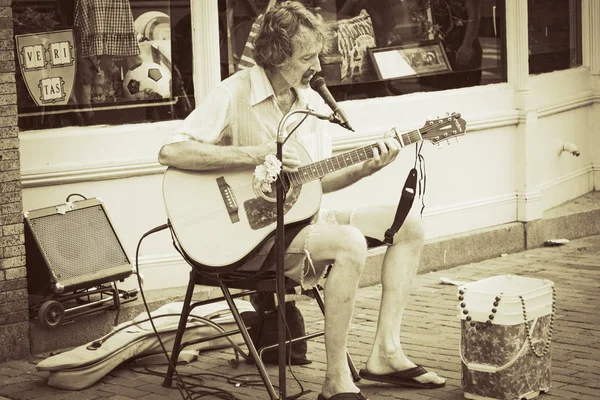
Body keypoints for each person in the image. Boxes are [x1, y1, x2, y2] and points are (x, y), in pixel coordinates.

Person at [158, 2, 445, 399]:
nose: (315, 67)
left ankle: (385, 352)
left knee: (409, 226)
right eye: (306, 57)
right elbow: (171, 153)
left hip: (299, 224)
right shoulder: (234, 92)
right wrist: (254, 154)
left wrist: (365, 168)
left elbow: (314, 184)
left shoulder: (308, 101)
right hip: (249, 242)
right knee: (348, 242)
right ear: (276, 56)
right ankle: (334, 381)